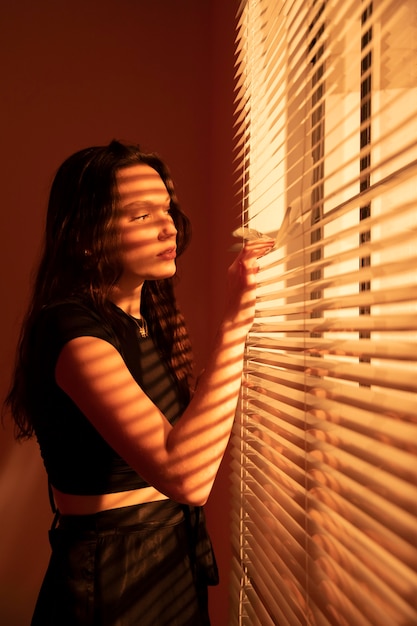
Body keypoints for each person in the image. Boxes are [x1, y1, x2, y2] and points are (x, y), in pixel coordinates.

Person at [3, 140, 273, 626]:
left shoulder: (148, 319)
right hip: (114, 579)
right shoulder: (69, 329)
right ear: (88, 236)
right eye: (140, 216)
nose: (168, 226)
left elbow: (194, 427)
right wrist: (235, 325)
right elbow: (187, 476)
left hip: (168, 562)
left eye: (166, 210)